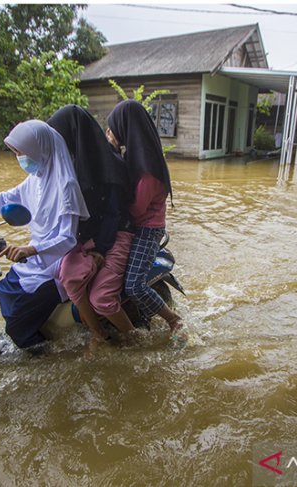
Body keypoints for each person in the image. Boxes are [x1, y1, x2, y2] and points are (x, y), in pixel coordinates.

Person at [0, 120, 89, 350]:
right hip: (34, 257)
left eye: (21, 152)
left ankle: (43, 356)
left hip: (55, 263)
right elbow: (4, 199)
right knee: (4, 289)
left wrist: (31, 249)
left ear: (38, 149)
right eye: (16, 152)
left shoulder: (66, 186)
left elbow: (68, 238)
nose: (19, 157)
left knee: (17, 325)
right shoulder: (36, 179)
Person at [47, 105, 138, 352]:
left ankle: (108, 335)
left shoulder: (110, 166)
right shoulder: (72, 164)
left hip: (111, 237)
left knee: (75, 278)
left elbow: (113, 214)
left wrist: (100, 248)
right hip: (85, 237)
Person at [106, 99, 185, 340]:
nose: (108, 133)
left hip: (147, 230)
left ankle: (174, 320)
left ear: (125, 128)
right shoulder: (132, 156)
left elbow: (137, 210)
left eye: (112, 128)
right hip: (134, 226)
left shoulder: (148, 169)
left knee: (133, 284)